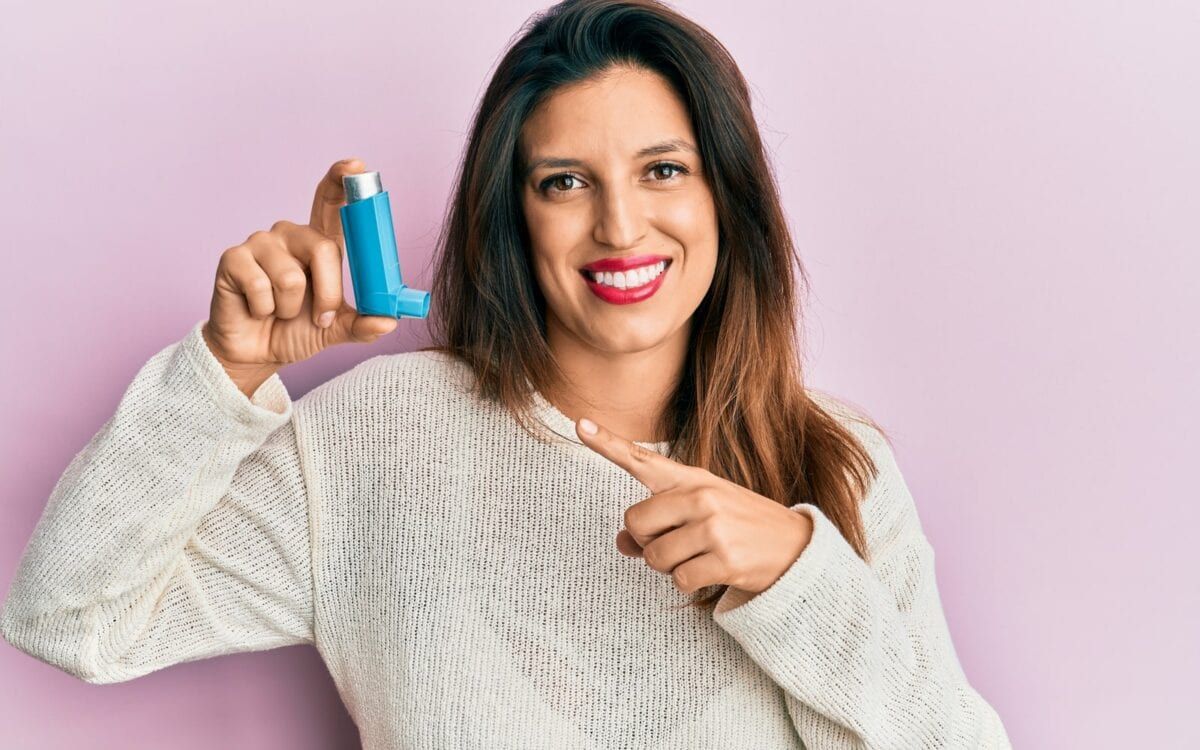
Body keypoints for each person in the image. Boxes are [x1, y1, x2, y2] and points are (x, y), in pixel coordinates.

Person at [0, 0, 1012, 747]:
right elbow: (69, 618)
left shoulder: (837, 464)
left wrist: (799, 576)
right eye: (565, 183)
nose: (620, 226)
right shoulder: (373, 440)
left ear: (725, 199)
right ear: (513, 216)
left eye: (664, 170)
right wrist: (223, 374)